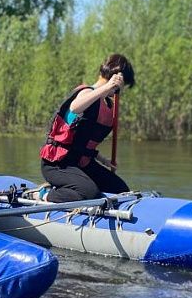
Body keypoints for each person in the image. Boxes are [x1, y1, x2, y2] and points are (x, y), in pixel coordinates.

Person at [33, 53, 135, 203]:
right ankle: (42, 194)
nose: (121, 89)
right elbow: (75, 107)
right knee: (88, 191)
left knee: (121, 190)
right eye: (122, 85)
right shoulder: (87, 93)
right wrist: (107, 87)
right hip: (58, 164)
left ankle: (73, 188)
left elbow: (83, 140)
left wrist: (103, 160)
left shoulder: (106, 103)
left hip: (82, 164)